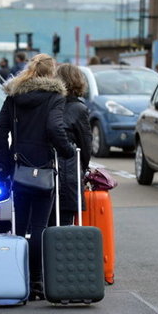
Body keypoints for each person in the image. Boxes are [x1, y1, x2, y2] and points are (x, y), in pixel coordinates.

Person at [0, 53, 75, 301]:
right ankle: (37, 282)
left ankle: (17, 280)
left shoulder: (14, 96)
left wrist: (3, 166)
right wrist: (67, 150)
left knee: (19, 226)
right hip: (44, 168)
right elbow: (54, 127)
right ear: (51, 73)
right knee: (39, 226)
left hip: (19, 168)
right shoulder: (54, 97)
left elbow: (0, 133)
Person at [48, 64, 92, 227]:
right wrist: (84, 168)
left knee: (43, 223)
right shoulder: (79, 109)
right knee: (64, 225)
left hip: (45, 172)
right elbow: (85, 144)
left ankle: (41, 253)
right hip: (68, 173)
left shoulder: (47, 105)